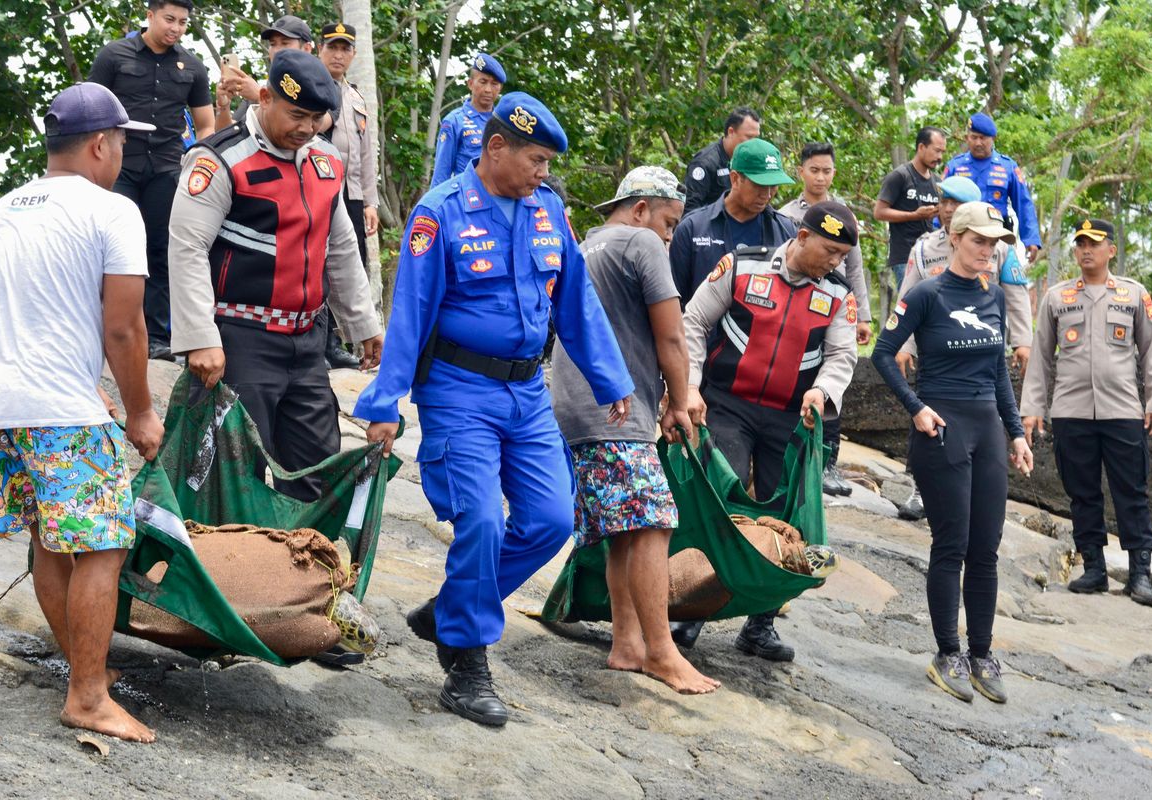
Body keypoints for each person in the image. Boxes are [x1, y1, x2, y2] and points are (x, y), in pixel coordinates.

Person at [354, 92, 634, 727]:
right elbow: (411, 314)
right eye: (534, 158)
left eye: (546, 162)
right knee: (479, 522)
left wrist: (611, 380)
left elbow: (577, 304)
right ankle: (466, 661)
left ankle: (453, 608)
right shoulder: (441, 212)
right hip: (459, 390)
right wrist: (384, 401)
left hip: (527, 394)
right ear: (495, 147)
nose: (542, 171)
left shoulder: (548, 210)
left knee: (552, 520)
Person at [0, 83, 164, 742]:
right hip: (55, 407)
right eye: (123, 144)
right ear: (101, 144)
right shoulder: (112, 212)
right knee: (104, 542)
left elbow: (31, 311)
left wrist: (90, 388)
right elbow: (125, 329)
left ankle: (85, 676)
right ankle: (86, 694)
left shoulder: (3, 213)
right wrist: (139, 412)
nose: (124, 156)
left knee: (50, 534)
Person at [167, 50, 383, 502]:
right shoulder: (219, 160)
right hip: (239, 342)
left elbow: (339, 247)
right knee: (231, 479)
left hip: (307, 345)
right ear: (264, 97)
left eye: (317, 119)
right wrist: (199, 338)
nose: (306, 129)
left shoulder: (325, 161)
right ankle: (227, 572)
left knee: (315, 475)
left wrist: (363, 325)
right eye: (297, 115)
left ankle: (299, 570)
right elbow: (187, 249)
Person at [550, 166, 719, 695]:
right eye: (670, 223)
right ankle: (662, 652)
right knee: (653, 521)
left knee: (626, 526)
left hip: (574, 406)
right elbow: (671, 338)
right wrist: (681, 398)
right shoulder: (641, 245)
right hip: (614, 413)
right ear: (642, 209)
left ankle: (627, 643)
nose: (671, 236)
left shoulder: (586, 245)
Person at [677, 201, 860, 661]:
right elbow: (694, 322)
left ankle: (759, 626)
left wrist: (823, 392)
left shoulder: (838, 295)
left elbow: (842, 356)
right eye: (830, 250)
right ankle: (691, 611)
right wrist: (690, 386)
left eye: (843, 256)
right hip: (728, 405)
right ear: (801, 237)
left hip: (790, 417)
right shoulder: (741, 265)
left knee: (787, 521)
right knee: (726, 502)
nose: (835, 262)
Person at [872, 201, 1034, 705]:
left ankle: (982, 654)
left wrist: (1016, 432)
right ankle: (947, 653)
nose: (987, 251)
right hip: (941, 426)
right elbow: (883, 353)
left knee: (986, 548)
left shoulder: (993, 296)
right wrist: (916, 408)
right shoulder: (927, 293)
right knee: (953, 544)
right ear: (956, 236)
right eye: (979, 241)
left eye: (994, 243)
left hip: (986, 428)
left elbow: (997, 373)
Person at [1021, 218, 1152, 607]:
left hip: (1122, 410)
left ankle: (1139, 573)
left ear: (1111, 250)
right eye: (1081, 243)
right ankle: (1095, 569)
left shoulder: (1133, 295)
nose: (1086, 250)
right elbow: (1041, 359)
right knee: (1082, 493)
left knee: (1131, 493)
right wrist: (1032, 407)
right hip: (1072, 411)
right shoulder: (1058, 297)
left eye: (1094, 243)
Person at [89, 0, 215, 361]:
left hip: (165, 167)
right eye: (169, 19)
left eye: (183, 22)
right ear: (150, 15)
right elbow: (93, 107)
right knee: (110, 249)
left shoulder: (191, 66)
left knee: (161, 250)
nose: (175, 28)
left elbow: (205, 124)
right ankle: (100, 331)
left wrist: (196, 163)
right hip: (118, 165)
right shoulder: (114, 55)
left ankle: (158, 337)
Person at [778, 142, 872, 497]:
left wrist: (863, 314)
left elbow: (856, 269)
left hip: (837, 305)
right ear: (801, 171)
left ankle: (829, 462)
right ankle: (797, 458)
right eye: (814, 170)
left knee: (832, 380)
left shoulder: (845, 215)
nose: (820, 176)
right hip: (798, 305)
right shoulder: (787, 215)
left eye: (827, 170)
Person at [897, 175, 1033, 376]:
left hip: (983, 350)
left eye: (957, 203)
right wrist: (904, 346)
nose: (949, 209)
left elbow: (1017, 298)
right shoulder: (924, 248)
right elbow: (906, 299)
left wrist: (1023, 342)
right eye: (944, 202)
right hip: (937, 353)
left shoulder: (1001, 247)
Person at [318, 22, 382, 369]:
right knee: (320, 263)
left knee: (351, 265)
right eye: (332, 47)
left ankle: (336, 342)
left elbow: (366, 153)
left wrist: (371, 202)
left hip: (352, 192)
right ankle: (320, 340)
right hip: (318, 184)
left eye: (345, 49)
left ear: (353, 53)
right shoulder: (312, 88)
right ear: (319, 49)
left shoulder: (356, 97)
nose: (338, 55)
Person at [670, 138, 796, 305]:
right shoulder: (693, 228)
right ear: (735, 178)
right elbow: (675, 299)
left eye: (773, 186)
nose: (767, 195)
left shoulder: (785, 231)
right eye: (759, 185)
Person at [943, 113, 1042, 264]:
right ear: (966, 137)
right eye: (973, 137)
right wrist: (936, 232)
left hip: (997, 238)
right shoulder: (954, 166)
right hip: (961, 239)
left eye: (983, 138)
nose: (978, 143)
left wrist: (1031, 239)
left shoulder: (1008, 167)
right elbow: (942, 205)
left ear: (993, 139)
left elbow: (1023, 204)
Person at [873, 126, 945, 298]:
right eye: (936, 151)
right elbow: (879, 212)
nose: (940, 157)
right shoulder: (900, 176)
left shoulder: (938, 182)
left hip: (932, 255)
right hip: (904, 256)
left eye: (943, 152)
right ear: (921, 147)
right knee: (909, 304)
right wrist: (914, 215)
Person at [215, 15, 314, 130]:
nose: (277, 50)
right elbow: (226, 135)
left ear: (307, 49)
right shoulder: (264, 88)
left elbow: (305, 129)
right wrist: (223, 106)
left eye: (285, 43)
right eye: (273, 44)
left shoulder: (320, 87)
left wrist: (259, 95)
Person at [430, 53, 506, 186]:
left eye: (494, 84)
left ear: (500, 88)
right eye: (483, 82)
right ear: (470, 84)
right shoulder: (454, 121)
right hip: (466, 199)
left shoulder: (505, 123)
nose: (488, 89)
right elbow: (441, 175)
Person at [682, 107, 761, 217]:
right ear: (731, 132)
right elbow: (690, 207)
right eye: (749, 137)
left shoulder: (750, 161)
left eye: (756, 138)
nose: (754, 144)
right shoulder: (706, 163)